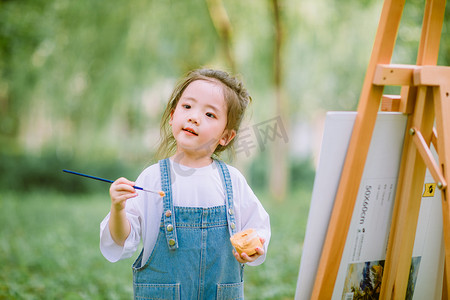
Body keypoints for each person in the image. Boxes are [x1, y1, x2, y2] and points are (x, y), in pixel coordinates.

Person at [100, 68, 271, 299]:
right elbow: (121, 240)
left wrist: (253, 248)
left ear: (226, 137)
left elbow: (258, 229)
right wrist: (118, 209)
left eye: (210, 114)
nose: (194, 117)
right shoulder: (152, 179)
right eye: (187, 107)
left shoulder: (232, 180)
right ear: (172, 116)